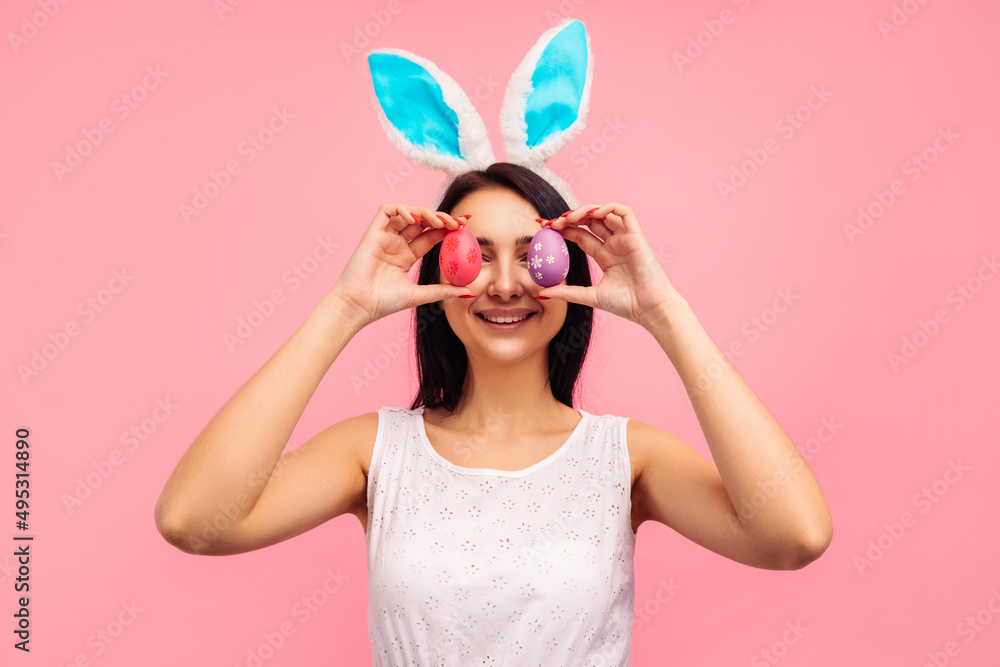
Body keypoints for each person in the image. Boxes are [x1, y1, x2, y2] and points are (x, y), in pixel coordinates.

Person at [154, 161, 833, 666]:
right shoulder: (376, 452)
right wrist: (345, 308)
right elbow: (193, 520)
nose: (505, 282)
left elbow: (794, 533)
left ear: (571, 273)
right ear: (438, 281)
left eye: (531, 257)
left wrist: (664, 312)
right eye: (473, 256)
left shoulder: (627, 459)